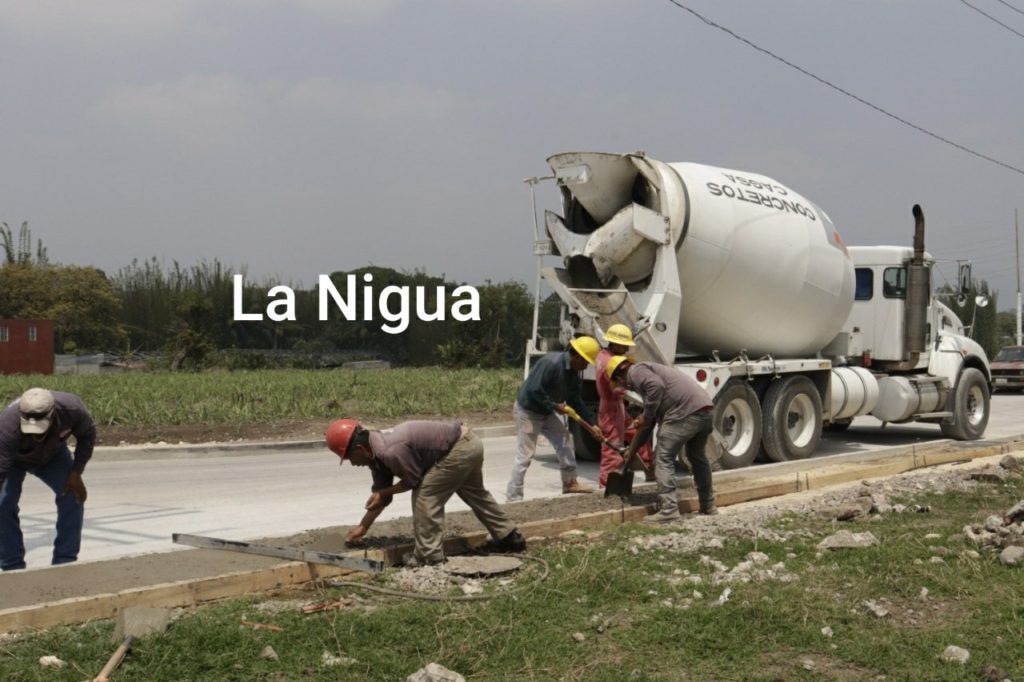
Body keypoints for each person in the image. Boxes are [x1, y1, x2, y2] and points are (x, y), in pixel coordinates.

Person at [327, 418, 526, 567]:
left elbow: (413, 481)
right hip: (468, 443)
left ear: (360, 448)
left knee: (425, 495)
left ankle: (429, 556)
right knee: (475, 494)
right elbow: (382, 495)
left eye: (348, 457)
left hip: (459, 448)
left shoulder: (389, 451)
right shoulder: (375, 456)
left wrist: (385, 492)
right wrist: (363, 527)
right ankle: (509, 537)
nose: (351, 463)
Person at [607, 356, 717, 523]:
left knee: (663, 457)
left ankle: (669, 509)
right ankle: (708, 505)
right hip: (704, 410)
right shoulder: (650, 376)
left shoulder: (636, 371)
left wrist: (647, 415)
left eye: (622, 384)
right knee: (697, 456)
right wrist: (632, 450)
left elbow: (655, 388)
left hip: (685, 411)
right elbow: (647, 425)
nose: (626, 387)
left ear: (620, 375)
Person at [0, 388, 95, 571]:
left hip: (53, 455)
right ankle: (12, 566)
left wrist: (76, 472)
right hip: (14, 459)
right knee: (3, 504)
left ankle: (64, 563)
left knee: (72, 496)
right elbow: (1, 467)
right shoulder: (7, 424)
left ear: (52, 414)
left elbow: (87, 436)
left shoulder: (72, 410)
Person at [505, 336, 602, 503]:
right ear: (577, 356)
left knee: (565, 442)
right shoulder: (551, 363)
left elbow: (575, 400)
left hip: (547, 411)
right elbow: (534, 390)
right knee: (525, 456)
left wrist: (592, 424)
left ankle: (570, 482)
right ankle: (514, 496)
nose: (586, 365)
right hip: (528, 411)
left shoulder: (573, 373)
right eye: (585, 361)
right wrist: (556, 406)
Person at [595, 325, 653, 487]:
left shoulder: (603, 354)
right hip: (611, 410)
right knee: (612, 450)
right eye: (624, 345)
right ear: (614, 343)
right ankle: (607, 487)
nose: (627, 348)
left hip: (614, 405)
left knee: (637, 434)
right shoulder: (613, 363)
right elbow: (628, 380)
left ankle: (649, 466)